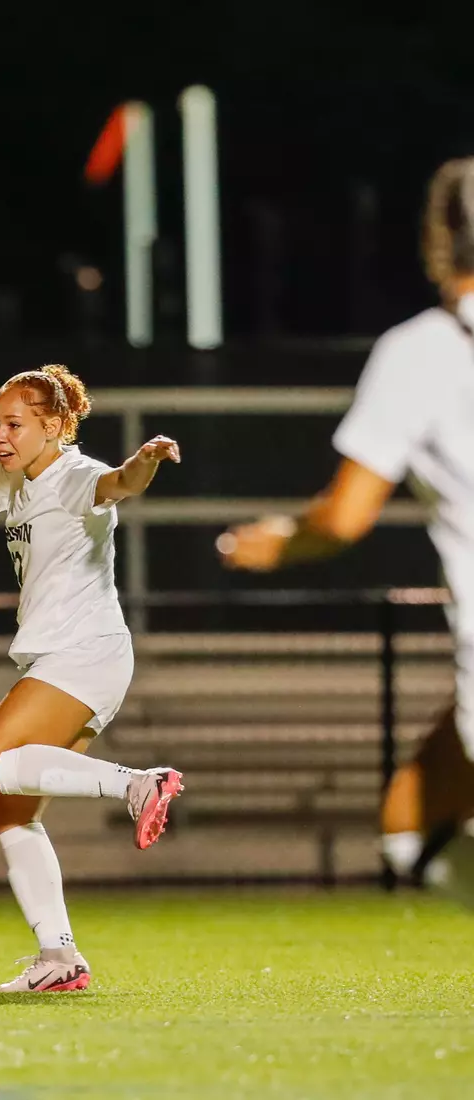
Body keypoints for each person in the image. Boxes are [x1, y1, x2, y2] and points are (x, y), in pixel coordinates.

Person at [218, 157, 474, 896]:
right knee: (409, 821)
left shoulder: (420, 351)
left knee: (406, 833)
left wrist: (279, 541)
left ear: (436, 240)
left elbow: (344, 515)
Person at [0, 368, 184, 992]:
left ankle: (138, 783)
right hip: (74, 658)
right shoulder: (13, 477)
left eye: (15, 424)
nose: (1, 435)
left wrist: (145, 459)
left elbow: (119, 483)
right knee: (12, 811)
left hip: (82, 654)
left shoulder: (74, 475)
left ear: (54, 426)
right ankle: (59, 958)